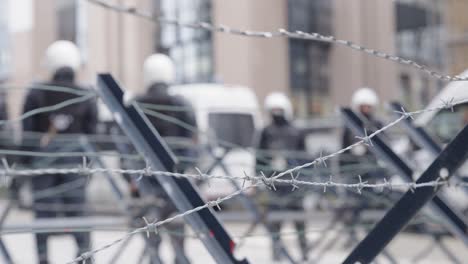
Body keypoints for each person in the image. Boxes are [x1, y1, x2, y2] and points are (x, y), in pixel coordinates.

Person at [21, 40, 97, 264]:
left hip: (43, 169)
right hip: (75, 169)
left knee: (42, 219)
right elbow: (94, 138)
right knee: (80, 218)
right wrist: (88, 166)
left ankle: (43, 258)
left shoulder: (36, 94)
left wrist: (25, 167)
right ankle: (85, 258)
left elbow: (27, 138)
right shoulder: (86, 95)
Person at [120, 53, 196, 264]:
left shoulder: (134, 104)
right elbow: (192, 145)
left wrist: (132, 179)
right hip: (176, 182)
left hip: (146, 183)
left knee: (152, 238)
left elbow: (126, 149)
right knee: (178, 235)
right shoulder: (182, 105)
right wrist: (185, 172)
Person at [255, 92, 308, 261]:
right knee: (275, 224)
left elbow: (305, 157)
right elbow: (259, 157)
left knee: (299, 222)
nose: (276, 113)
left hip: (294, 185)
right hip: (274, 185)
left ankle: (304, 252)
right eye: (273, 109)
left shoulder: (296, 131)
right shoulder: (265, 132)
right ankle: (277, 254)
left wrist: (303, 179)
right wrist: (259, 178)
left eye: (279, 109)